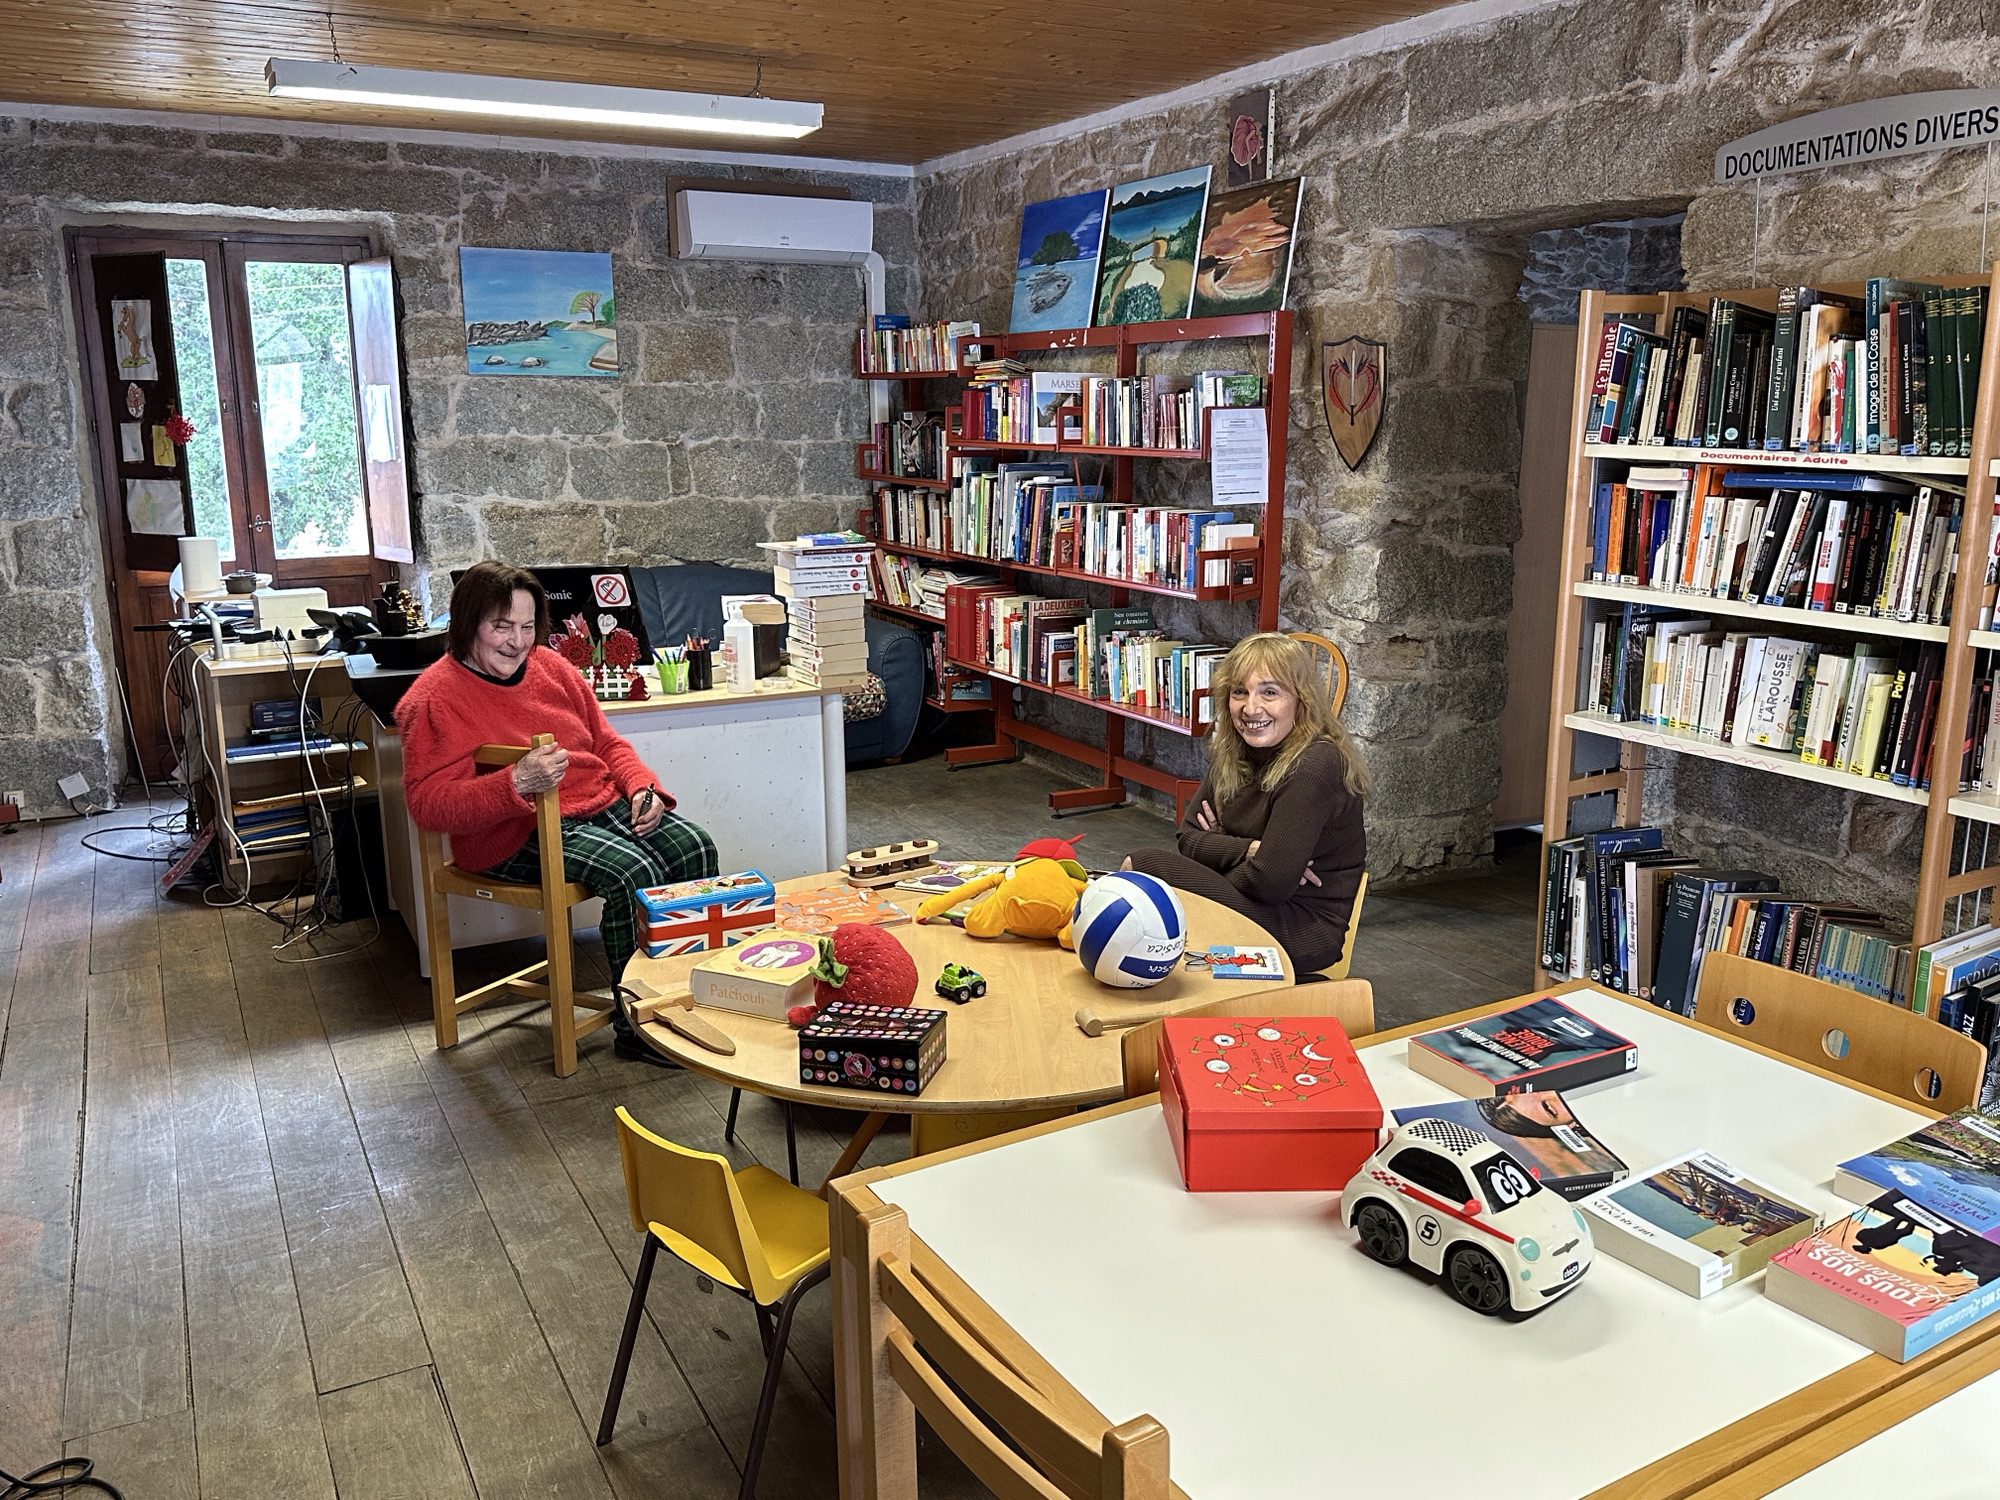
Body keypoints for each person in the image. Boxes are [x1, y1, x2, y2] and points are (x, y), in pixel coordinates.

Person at [396, 561, 718, 1064]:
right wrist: (514, 783)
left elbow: (607, 741)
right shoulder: (434, 698)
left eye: (526, 627)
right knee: (634, 873)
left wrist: (641, 786)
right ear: (466, 623)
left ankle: (685, 1003)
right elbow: (427, 805)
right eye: (500, 626)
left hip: (596, 804)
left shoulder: (552, 667)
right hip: (512, 834)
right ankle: (638, 1026)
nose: (516, 641)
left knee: (695, 849)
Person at [1126, 632, 1367, 975]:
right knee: (1147, 882)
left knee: (1144, 864)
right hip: (1252, 900)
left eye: (1270, 692)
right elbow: (1188, 838)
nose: (1251, 708)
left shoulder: (1316, 763)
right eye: (1240, 692)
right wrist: (1251, 850)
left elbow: (1270, 884)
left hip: (1300, 927)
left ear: (1301, 700)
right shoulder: (1235, 751)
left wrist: (1220, 856)